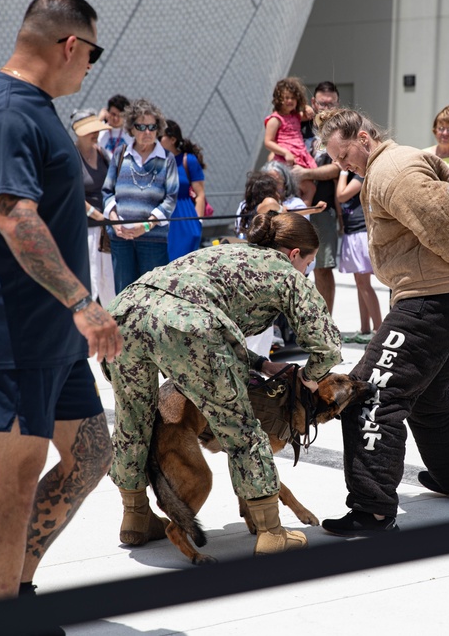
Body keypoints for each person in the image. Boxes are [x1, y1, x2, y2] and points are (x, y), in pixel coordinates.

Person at [0, 0, 121, 615]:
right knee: (15, 486)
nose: (88, 68)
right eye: (91, 55)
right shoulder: (11, 111)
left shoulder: (35, 108)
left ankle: (8, 586)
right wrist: (83, 301)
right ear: (70, 44)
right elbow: (16, 218)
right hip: (13, 332)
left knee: (93, 455)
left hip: (51, 336)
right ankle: (0, 610)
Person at [316, 109, 449, 534]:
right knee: (429, 393)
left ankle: (374, 508)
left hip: (433, 300)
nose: (342, 164)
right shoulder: (388, 167)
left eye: (344, 153)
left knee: (367, 396)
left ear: (363, 137)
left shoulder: (393, 169)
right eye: (335, 158)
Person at [107, 211, 341, 554]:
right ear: (294, 255)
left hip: (124, 314)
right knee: (241, 429)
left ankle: (136, 516)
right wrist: (308, 377)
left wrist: (261, 362)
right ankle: (270, 531)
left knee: (133, 422)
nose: (306, 270)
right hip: (187, 326)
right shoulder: (285, 273)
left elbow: (209, 321)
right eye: (308, 263)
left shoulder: (226, 251)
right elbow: (328, 346)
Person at [102, 98, 179, 293]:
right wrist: (114, 220)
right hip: (121, 239)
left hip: (153, 240)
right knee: (124, 293)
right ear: (132, 128)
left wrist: (145, 226)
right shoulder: (120, 154)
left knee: (153, 293)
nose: (147, 132)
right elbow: (107, 191)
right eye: (141, 126)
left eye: (152, 127)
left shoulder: (167, 160)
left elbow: (171, 199)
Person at [294, 82, 343, 312]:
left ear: (338, 103)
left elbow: (337, 168)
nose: (325, 107)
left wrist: (306, 173)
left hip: (323, 209)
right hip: (295, 207)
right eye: (322, 103)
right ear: (313, 102)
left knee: (323, 267)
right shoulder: (299, 125)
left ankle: (326, 323)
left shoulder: (340, 131)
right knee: (294, 265)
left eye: (331, 103)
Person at [70, 109, 116, 307]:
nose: (95, 135)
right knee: (90, 278)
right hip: (85, 228)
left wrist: (109, 214)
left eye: (96, 130)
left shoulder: (103, 153)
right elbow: (71, 193)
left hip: (105, 228)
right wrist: (94, 213)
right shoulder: (71, 156)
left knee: (109, 280)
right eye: (90, 131)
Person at [335, 167, 381, 343]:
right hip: (351, 231)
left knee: (363, 283)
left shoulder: (359, 176)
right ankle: (365, 329)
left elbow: (341, 195)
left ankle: (378, 328)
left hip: (361, 232)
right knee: (360, 283)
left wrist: (343, 172)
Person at [160, 120, 203, 261]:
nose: (157, 140)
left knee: (183, 262)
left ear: (172, 139)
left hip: (185, 216)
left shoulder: (188, 160)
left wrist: (198, 222)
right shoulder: (156, 161)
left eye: (161, 137)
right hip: (161, 217)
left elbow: (200, 194)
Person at [97, 94, 132, 160]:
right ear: (107, 112)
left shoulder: (131, 133)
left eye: (120, 115)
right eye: (113, 114)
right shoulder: (100, 130)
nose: (116, 118)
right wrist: (99, 119)